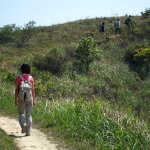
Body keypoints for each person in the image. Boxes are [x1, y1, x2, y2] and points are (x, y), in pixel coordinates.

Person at [15, 63, 36, 136]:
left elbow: (16, 90)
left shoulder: (18, 78)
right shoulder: (31, 78)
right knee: (29, 115)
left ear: (21, 69)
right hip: (29, 98)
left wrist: (16, 99)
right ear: (29, 69)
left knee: (21, 113)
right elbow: (33, 90)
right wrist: (34, 99)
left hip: (21, 98)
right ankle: (28, 132)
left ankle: (23, 124)